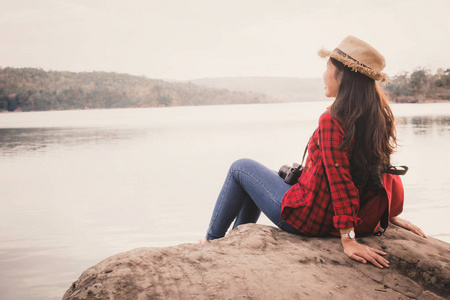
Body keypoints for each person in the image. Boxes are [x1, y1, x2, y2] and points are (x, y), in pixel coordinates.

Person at [205, 36, 426, 268]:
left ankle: (212, 244)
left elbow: (341, 181)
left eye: (328, 68)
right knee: (257, 179)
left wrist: (348, 239)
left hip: (309, 219)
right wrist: (387, 215)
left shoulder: (333, 120)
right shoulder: (377, 116)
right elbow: (377, 172)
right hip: (325, 211)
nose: (324, 75)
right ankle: (232, 243)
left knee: (240, 167)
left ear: (343, 76)